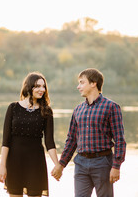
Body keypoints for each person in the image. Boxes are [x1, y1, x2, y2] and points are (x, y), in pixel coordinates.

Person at [51, 68, 126, 197]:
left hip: (103, 162)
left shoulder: (111, 107)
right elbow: (71, 140)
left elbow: (119, 140)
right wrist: (61, 164)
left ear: (93, 83)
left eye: (81, 82)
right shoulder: (78, 110)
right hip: (81, 163)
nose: (78, 86)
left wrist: (116, 166)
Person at [0, 72, 60, 197]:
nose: (42, 89)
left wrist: (57, 165)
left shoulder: (46, 111)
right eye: (37, 86)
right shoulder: (13, 108)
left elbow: (49, 142)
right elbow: (6, 141)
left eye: (43, 86)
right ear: (29, 86)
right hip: (14, 162)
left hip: (36, 163)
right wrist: (2, 166)